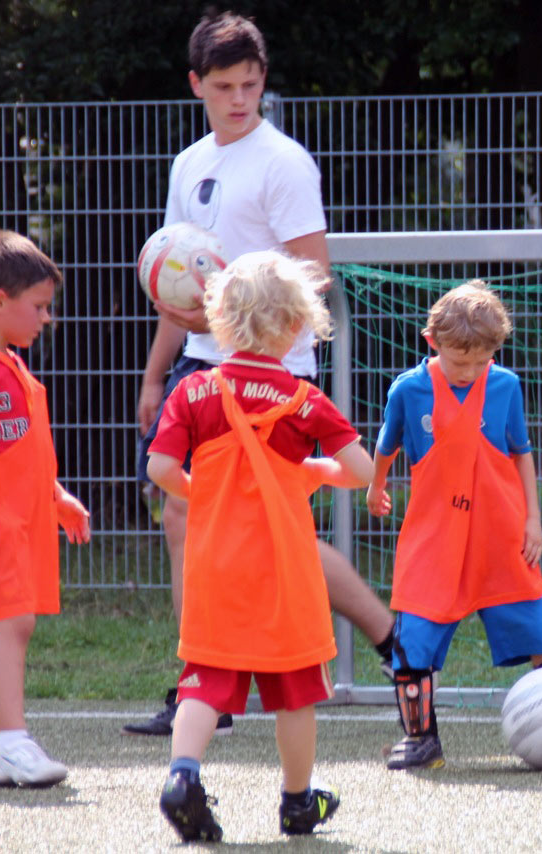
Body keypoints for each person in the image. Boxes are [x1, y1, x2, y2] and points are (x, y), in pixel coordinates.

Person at [126, 10, 395, 737]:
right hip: (200, 366)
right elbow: (178, 284)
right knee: (185, 519)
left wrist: (249, 329)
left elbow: (314, 277)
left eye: (251, 84)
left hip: (274, 372)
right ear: (196, 85)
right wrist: (157, 377)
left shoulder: (284, 163)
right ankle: (199, 682)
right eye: (224, 86)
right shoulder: (188, 165)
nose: (240, 98)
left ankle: (385, 632)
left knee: (274, 528)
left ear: (263, 81)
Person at [148, 251, 367, 840]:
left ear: (218, 320)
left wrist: (199, 490)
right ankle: (297, 801)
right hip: (283, 567)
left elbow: (162, 466)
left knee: (204, 678)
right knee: (295, 689)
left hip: (216, 563)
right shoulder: (304, 400)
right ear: (296, 325)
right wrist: (316, 471)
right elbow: (361, 470)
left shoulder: (196, 391)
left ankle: (182, 775)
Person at [367, 281, 542, 771]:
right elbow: (386, 445)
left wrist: (533, 520)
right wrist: (375, 486)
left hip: (500, 536)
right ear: (432, 342)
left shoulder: (506, 386)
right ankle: (421, 740)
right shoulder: (408, 390)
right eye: (459, 361)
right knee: (414, 644)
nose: (470, 371)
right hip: (434, 542)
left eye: (481, 361)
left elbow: (521, 452)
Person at [0, 230, 91, 787]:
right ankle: (11, 744)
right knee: (14, 621)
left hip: (11, 523)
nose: (46, 318)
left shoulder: (10, 365)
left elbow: (18, 451)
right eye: (39, 306)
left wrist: (55, 498)